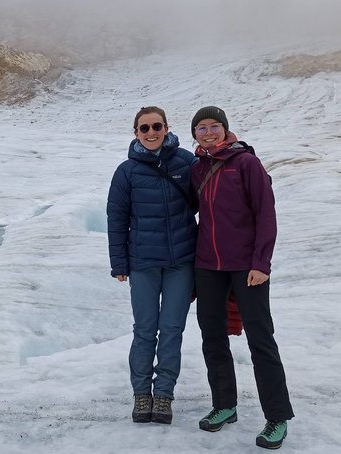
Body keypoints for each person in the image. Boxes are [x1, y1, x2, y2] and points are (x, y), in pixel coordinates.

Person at [189, 106, 294, 449]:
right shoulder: (196, 168)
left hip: (246, 266)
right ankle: (224, 405)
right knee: (212, 336)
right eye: (201, 127)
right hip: (208, 266)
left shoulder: (246, 163)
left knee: (261, 339)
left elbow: (266, 214)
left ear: (225, 129)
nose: (208, 132)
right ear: (194, 133)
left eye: (214, 126)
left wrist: (261, 263)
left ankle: (277, 417)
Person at [107, 106, 197, 425]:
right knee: (145, 331)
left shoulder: (186, 162)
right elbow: (116, 219)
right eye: (144, 128)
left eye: (156, 126)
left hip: (180, 264)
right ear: (136, 133)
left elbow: (216, 190)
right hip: (143, 264)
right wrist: (119, 262)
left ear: (166, 128)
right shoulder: (126, 172)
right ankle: (141, 393)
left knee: (172, 330)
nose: (151, 133)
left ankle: (164, 395)